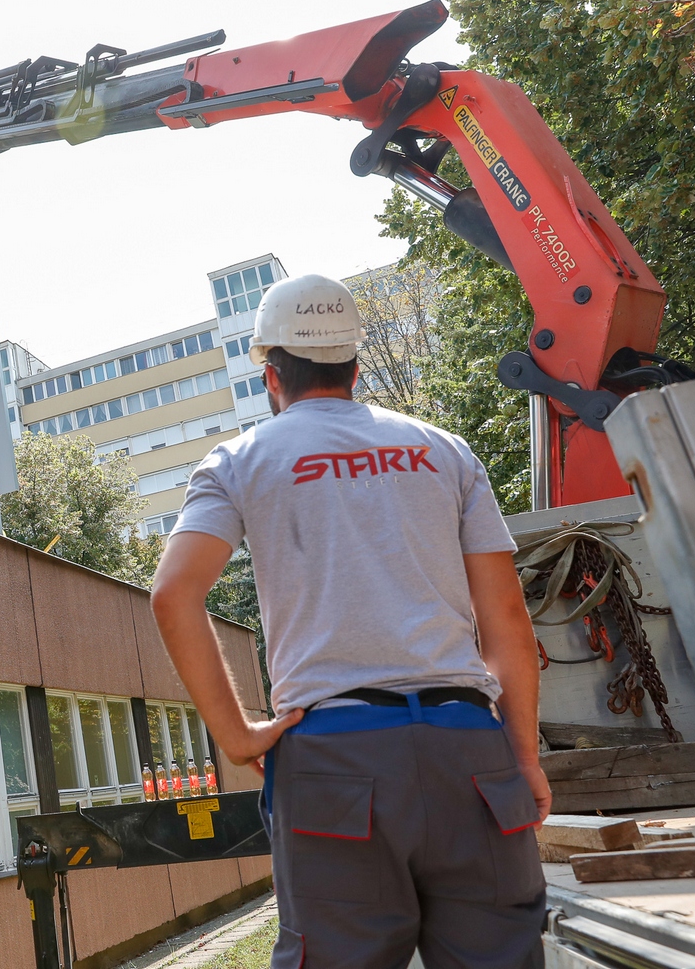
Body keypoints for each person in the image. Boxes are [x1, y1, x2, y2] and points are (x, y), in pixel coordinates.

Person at [150, 273, 548, 968]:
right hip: (469, 753)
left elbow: (173, 595)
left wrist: (238, 735)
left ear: (272, 375)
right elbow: (508, 620)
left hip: (334, 756)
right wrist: (522, 756)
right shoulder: (446, 452)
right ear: (356, 369)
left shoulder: (241, 461)